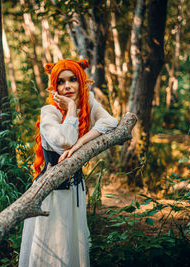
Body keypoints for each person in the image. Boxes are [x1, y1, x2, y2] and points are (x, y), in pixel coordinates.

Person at [19, 59, 118, 267]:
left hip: (74, 191)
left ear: (81, 81)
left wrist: (81, 142)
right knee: (53, 247)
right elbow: (65, 141)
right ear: (54, 87)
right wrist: (71, 107)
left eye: (73, 80)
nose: (67, 86)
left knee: (73, 245)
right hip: (51, 194)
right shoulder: (49, 112)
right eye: (61, 82)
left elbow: (111, 122)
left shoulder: (88, 102)